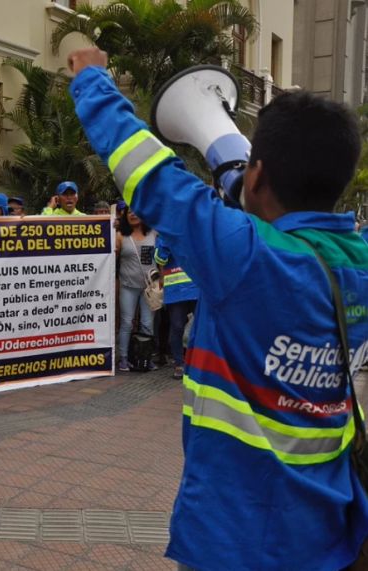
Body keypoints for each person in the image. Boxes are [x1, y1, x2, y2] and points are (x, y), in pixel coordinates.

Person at [69, 47, 368, 571]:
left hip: (235, 533)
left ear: (256, 177)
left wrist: (92, 79)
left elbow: (151, 174)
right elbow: (274, 211)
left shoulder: (247, 256)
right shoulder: (358, 261)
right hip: (326, 527)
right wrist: (247, 180)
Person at [115, 206, 157, 372]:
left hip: (149, 289)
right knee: (126, 322)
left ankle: (145, 358)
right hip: (128, 287)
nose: (132, 214)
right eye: (129, 212)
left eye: (136, 211)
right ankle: (124, 358)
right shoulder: (120, 236)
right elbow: (112, 259)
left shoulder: (154, 233)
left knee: (147, 323)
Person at [154, 236, 196, 380]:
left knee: (201, 327)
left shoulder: (193, 227)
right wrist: (167, 238)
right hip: (175, 290)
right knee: (177, 328)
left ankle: (198, 362)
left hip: (196, 288)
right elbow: (160, 259)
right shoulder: (163, 234)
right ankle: (179, 364)